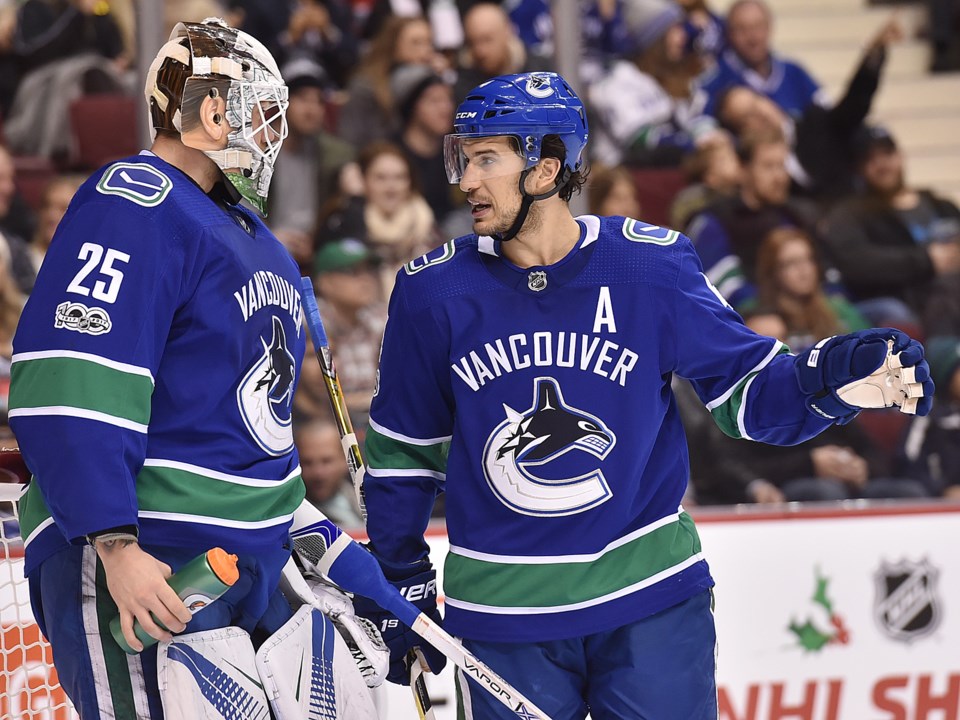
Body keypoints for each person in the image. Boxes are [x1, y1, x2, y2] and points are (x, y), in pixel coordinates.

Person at [354, 71, 934, 718]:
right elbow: (404, 453)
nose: (465, 180)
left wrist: (825, 381)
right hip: (504, 617)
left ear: (546, 169)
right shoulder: (431, 291)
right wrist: (397, 571)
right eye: (462, 157)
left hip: (649, 602)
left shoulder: (650, 268)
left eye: (486, 158)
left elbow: (750, 401)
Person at [8, 18, 380, 719]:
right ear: (213, 114)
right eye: (262, 114)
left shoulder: (254, 237)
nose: (275, 134)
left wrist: (324, 550)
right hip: (154, 553)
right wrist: (114, 545)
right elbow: (71, 378)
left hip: (244, 564)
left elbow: (245, 430)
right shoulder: (136, 201)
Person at [296, 418, 365, 527]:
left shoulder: (368, 502)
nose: (318, 473)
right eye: (307, 463)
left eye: (326, 461)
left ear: (346, 460)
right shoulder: (293, 520)